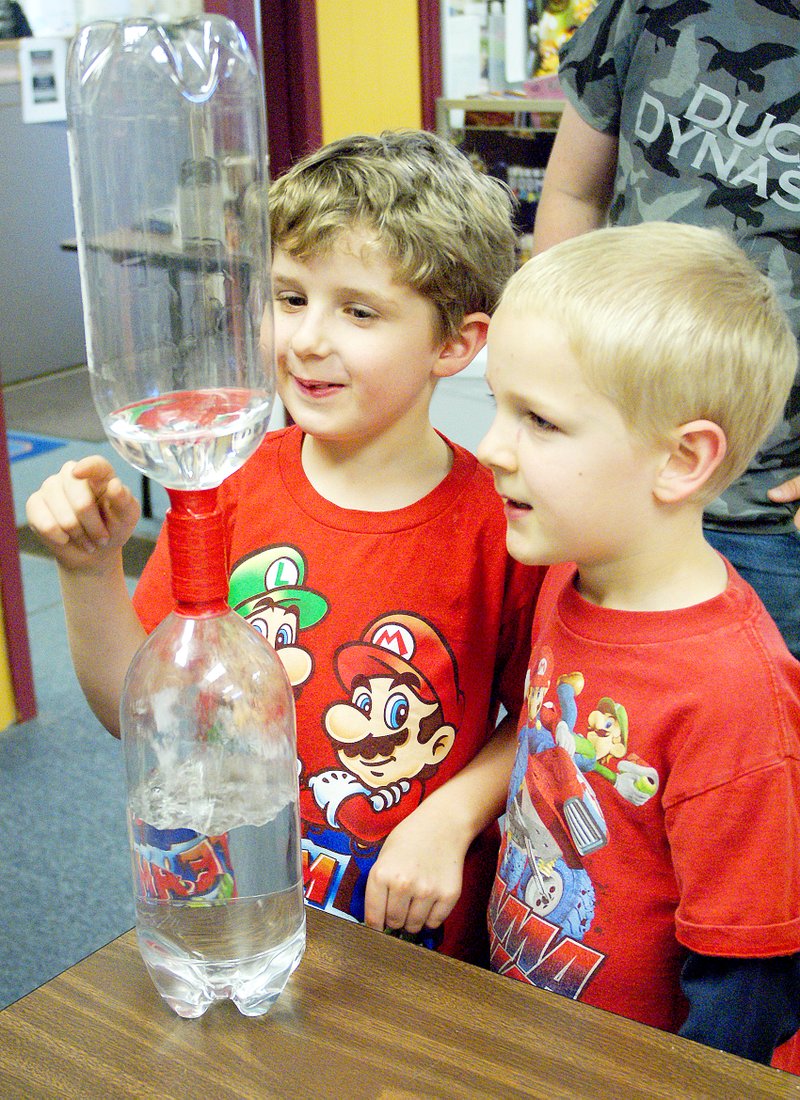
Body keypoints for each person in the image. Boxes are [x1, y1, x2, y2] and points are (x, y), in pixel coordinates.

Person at [26, 130, 541, 965]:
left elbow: (543, 718)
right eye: (290, 297)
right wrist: (87, 570)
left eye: (359, 310)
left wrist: (450, 816)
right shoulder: (228, 485)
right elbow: (142, 713)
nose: (306, 339)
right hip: (230, 906)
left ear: (455, 343)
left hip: (412, 927)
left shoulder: (508, 522)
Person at [476, 222, 800, 1070]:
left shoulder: (734, 693)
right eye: (496, 407)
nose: (491, 449)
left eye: (540, 421)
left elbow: (751, 974)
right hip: (528, 1020)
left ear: (682, 459)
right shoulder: (568, 576)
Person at [530, 0, 800, 660]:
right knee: (592, 730)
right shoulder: (640, 10)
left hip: (769, 513)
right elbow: (573, 195)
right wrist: (545, 382)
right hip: (612, 481)